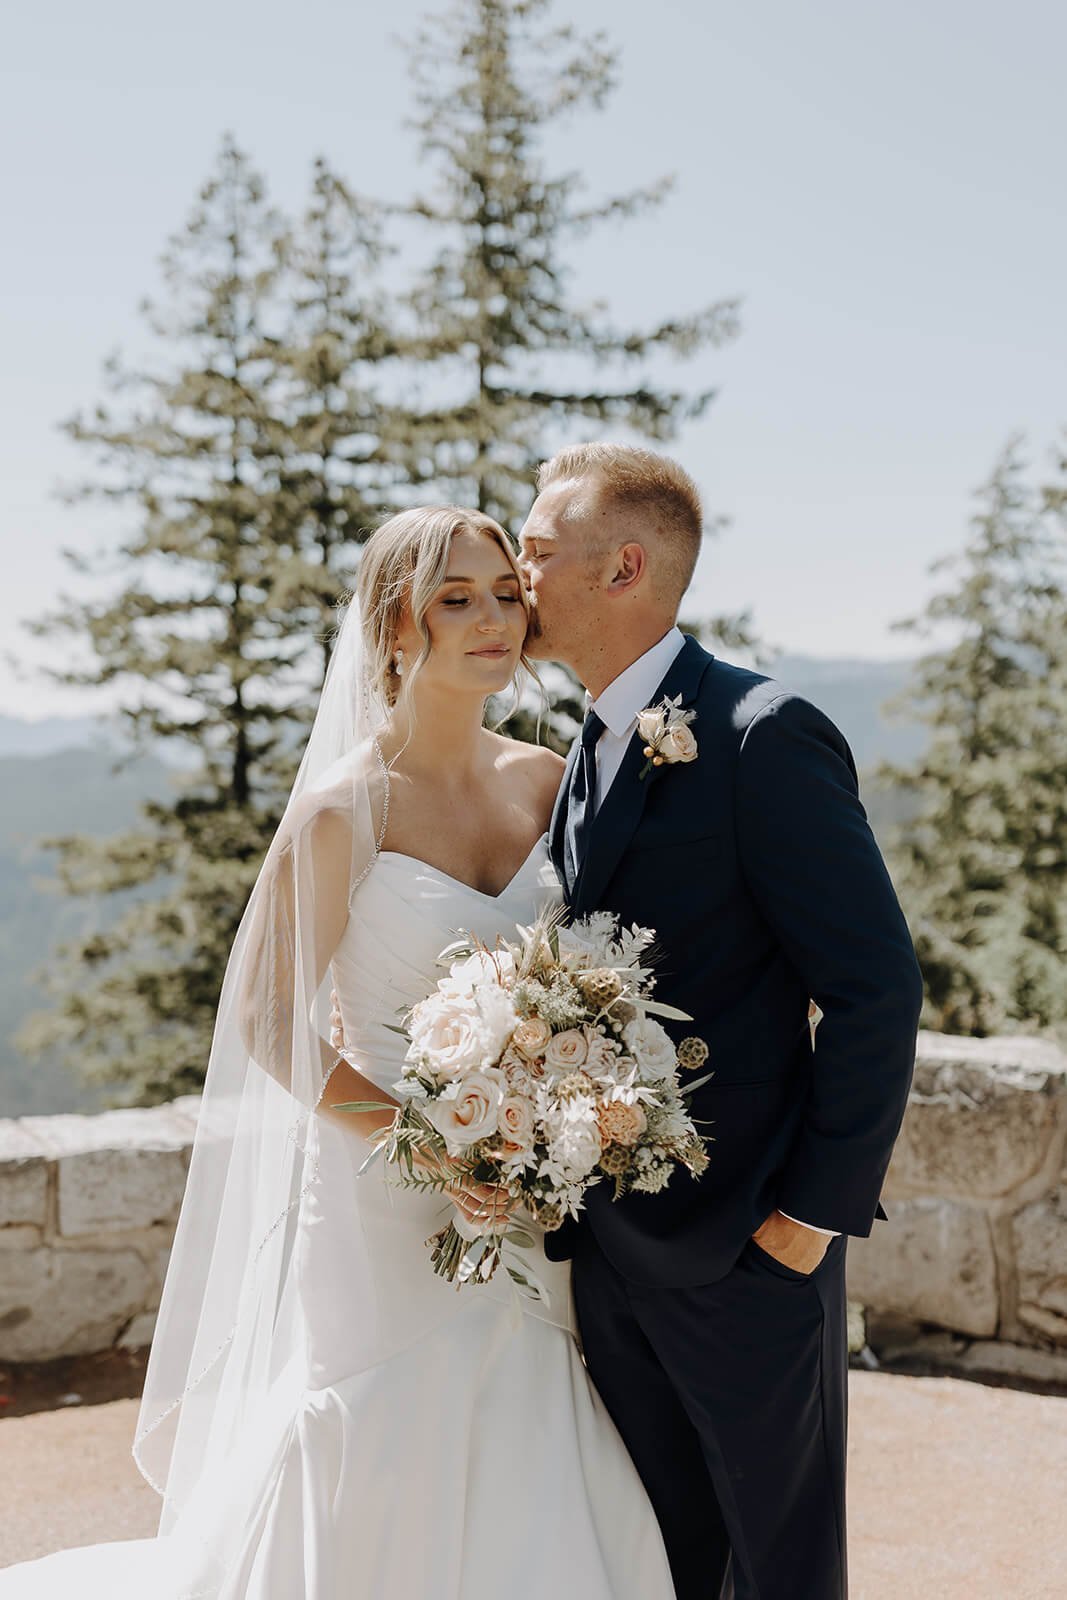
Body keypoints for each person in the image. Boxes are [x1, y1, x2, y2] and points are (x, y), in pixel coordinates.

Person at [0, 507, 676, 1599]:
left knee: (529, 1404)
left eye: (505, 592)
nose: (493, 618)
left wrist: (561, 1108)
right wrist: (428, 1147)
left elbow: (593, 973)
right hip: (379, 1195)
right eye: (455, 597)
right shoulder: (340, 810)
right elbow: (269, 1018)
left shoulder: (551, 784)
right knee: (376, 1422)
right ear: (393, 625)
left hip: (524, 1189)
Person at [518, 442, 925, 1600]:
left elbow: (873, 985)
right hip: (607, 1249)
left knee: (780, 1562)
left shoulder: (758, 732)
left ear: (623, 567)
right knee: (665, 1558)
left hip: (746, 1244)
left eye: (538, 552)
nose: (517, 573)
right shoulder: (584, 750)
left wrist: (806, 1216)